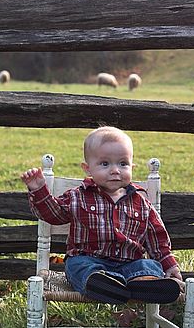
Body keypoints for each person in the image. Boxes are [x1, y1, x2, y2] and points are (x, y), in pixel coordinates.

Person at [20, 125, 183, 305]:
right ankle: (104, 285)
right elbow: (54, 215)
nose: (115, 170)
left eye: (123, 163)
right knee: (77, 266)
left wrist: (169, 264)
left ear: (132, 166)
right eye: (105, 164)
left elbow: (157, 238)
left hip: (129, 264)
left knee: (149, 266)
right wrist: (38, 190)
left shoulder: (141, 202)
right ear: (88, 168)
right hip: (89, 260)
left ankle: (143, 285)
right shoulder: (78, 196)